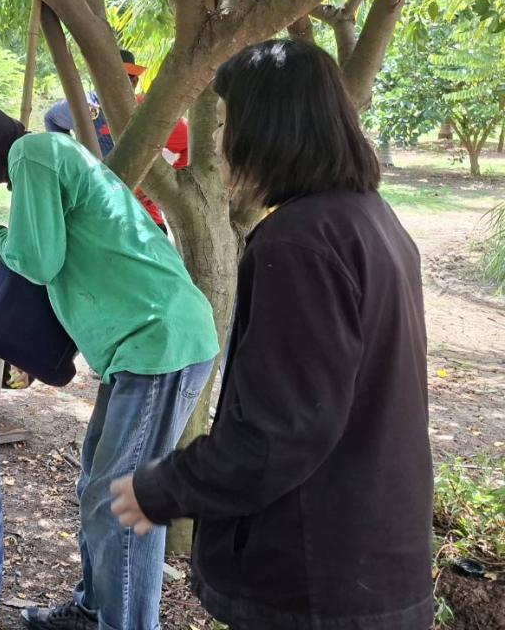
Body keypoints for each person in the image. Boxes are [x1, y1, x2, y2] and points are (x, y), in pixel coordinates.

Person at [110, 40, 433, 630]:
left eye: (232, 123)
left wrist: (163, 488)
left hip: (316, 581)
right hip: (372, 564)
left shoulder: (302, 243)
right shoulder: (375, 222)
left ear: (271, 129)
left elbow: (277, 433)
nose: (223, 142)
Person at [0, 96, 218, 630]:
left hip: (159, 341)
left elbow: (39, 260)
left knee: (123, 501)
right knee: (98, 485)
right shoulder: (46, 157)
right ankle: (92, 610)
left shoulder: (33, 154)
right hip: (137, 349)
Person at [43, 48, 188, 233]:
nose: (109, 86)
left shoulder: (152, 113)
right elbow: (52, 119)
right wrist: (70, 162)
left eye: (118, 79)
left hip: (143, 220)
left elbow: (191, 144)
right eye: (103, 78)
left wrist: (163, 185)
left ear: (134, 82)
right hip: (97, 215)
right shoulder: (83, 108)